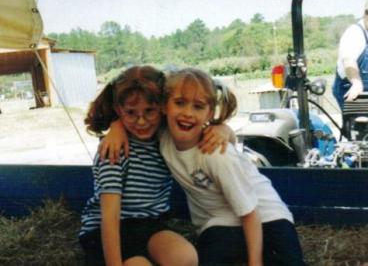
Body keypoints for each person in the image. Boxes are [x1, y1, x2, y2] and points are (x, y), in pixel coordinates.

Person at [102, 68, 305, 266]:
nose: (187, 113)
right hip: (219, 222)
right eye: (180, 103)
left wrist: (255, 262)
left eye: (198, 107)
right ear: (164, 106)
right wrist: (116, 126)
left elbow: (250, 213)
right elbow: (137, 112)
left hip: (267, 216)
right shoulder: (164, 134)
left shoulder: (216, 153)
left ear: (209, 113)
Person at [79, 66, 198, 266]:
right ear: (119, 110)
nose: (141, 121)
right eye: (131, 113)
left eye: (149, 111)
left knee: (186, 258)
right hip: (104, 229)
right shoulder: (113, 149)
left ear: (163, 106)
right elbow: (109, 217)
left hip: (151, 225)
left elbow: (199, 117)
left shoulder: (167, 137)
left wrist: (221, 130)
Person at [332, 4, 368, 111]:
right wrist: (356, 83)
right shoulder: (354, 33)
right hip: (351, 88)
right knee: (361, 125)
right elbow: (349, 60)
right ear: (366, 14)